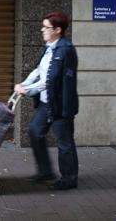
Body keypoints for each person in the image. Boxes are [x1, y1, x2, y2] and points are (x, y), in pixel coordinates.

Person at [14, 11, 79, 190]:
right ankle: (45, 171)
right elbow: (39, 71)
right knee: (35, 132)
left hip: (61, 103)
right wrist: (24, 83)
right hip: (46, 101)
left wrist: (27, 90)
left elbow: (51, 80)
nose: (42, 30)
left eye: (46, 27)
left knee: (64, 141)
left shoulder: (65, 50)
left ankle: (69, 179)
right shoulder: (49, 46)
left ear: (58, 30)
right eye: (43, 26)